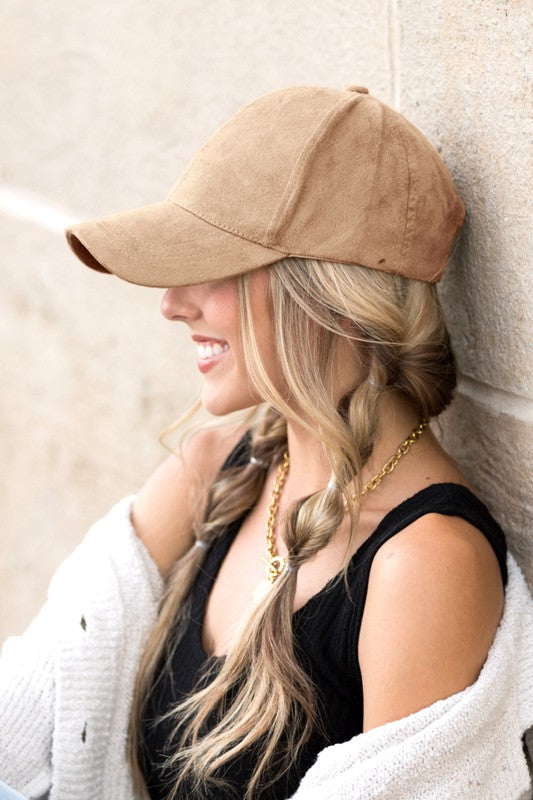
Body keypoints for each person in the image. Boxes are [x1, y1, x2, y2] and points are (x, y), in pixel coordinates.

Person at [1, 84, 532, 800]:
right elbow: (32, 707)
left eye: (212, 265)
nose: (172, 304)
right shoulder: (217, 467)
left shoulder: (427, 562)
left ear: (325, 293)